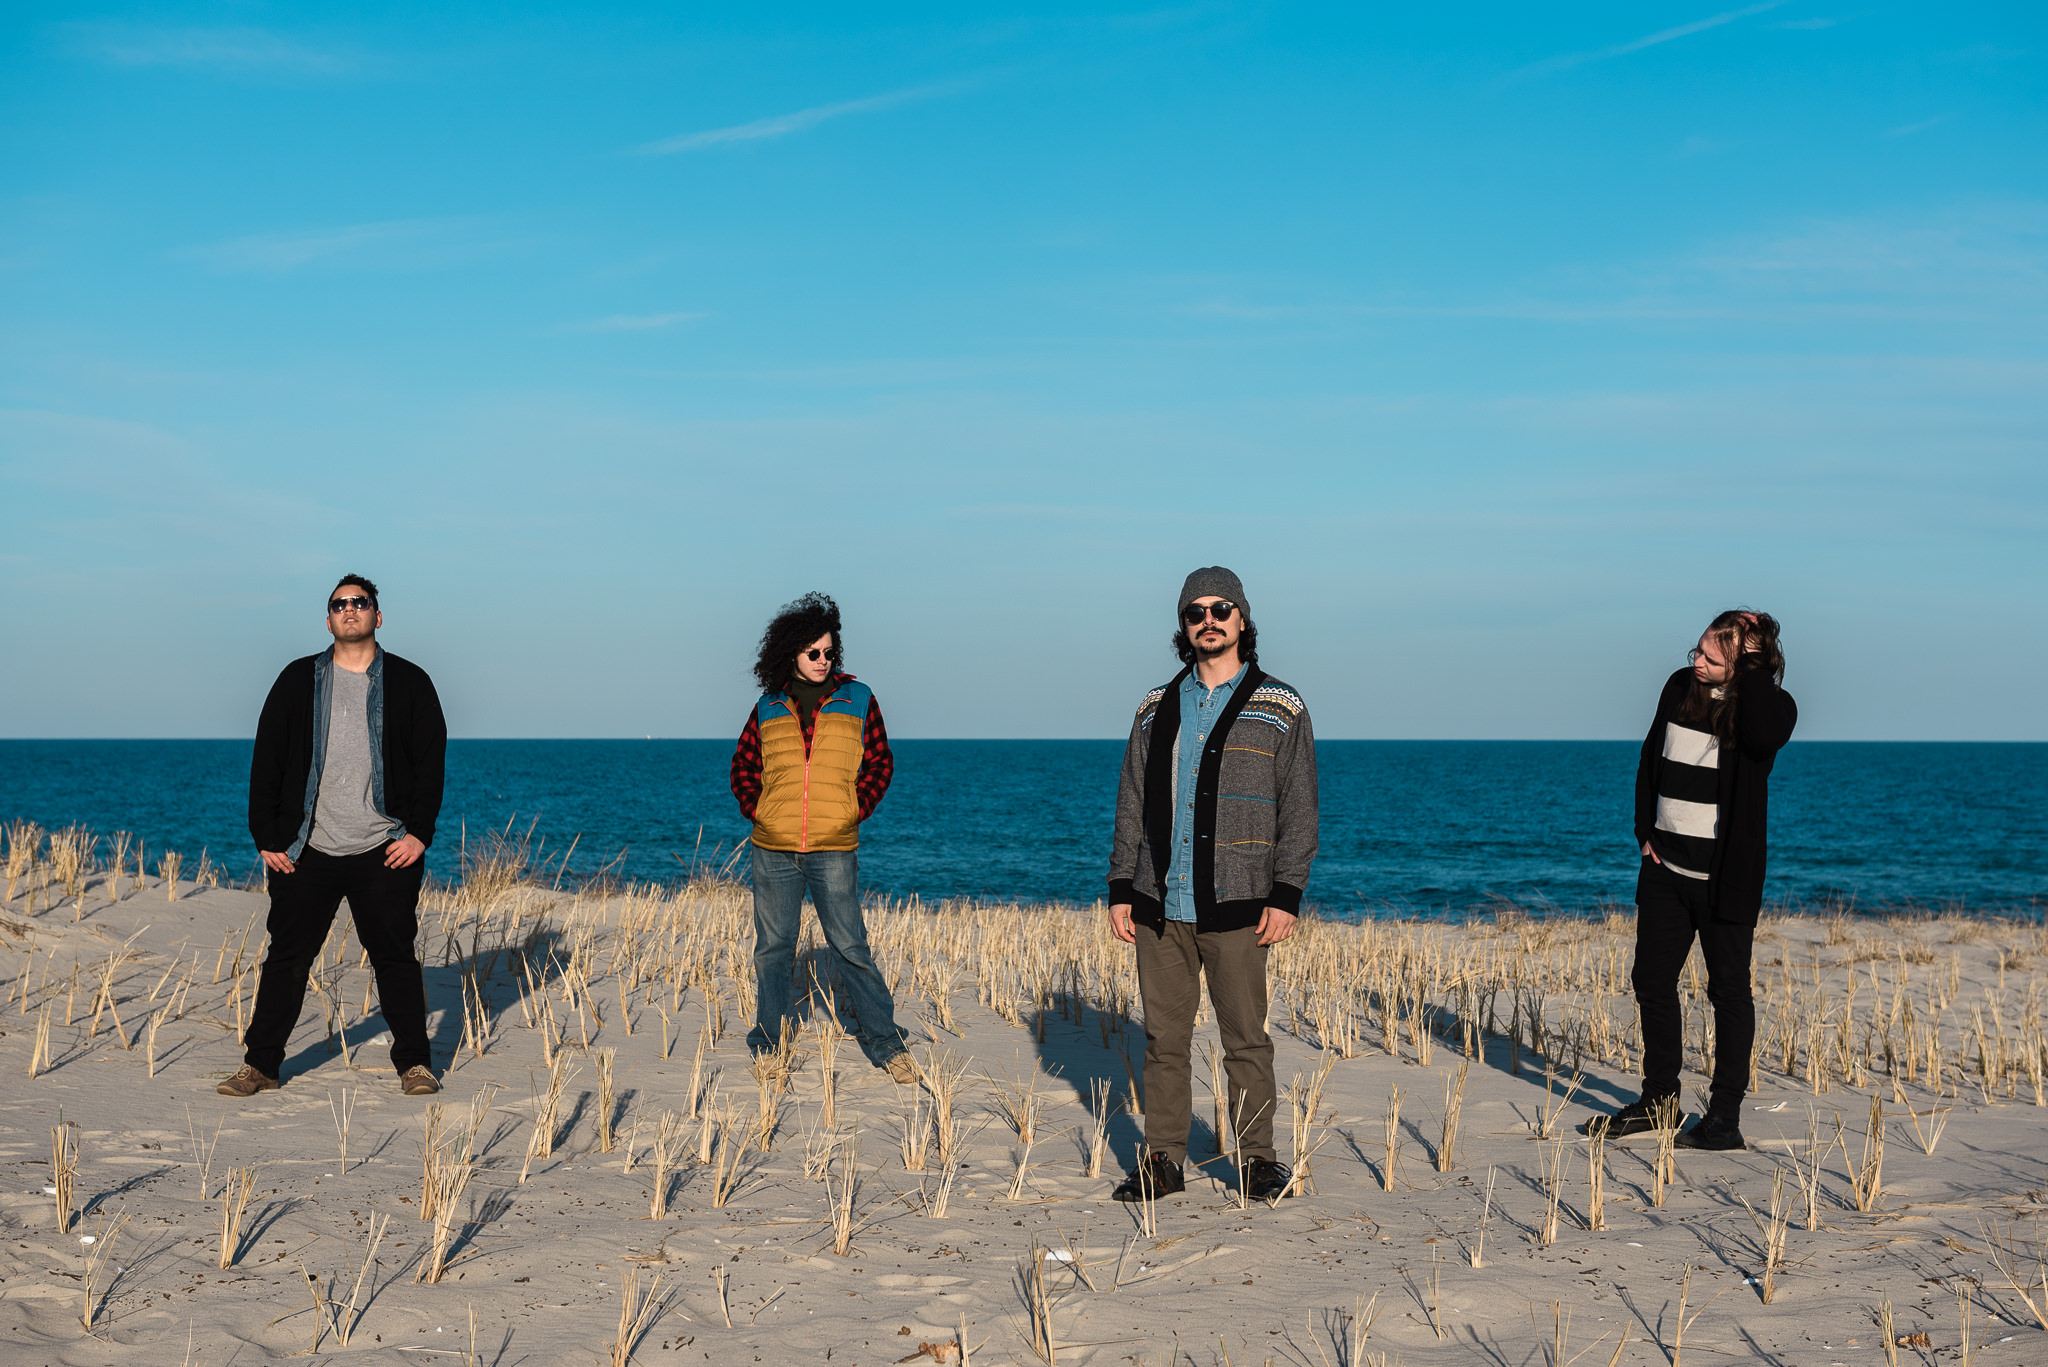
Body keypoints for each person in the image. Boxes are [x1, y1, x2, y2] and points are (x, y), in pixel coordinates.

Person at [1105, 568, 1319, 1203]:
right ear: (1184, 626)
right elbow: (1131, 802)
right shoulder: (1153, 708)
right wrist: (1122, 885)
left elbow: (1300, 808)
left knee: (1246, 1041)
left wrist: (1287, 893)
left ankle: (1256, 1161)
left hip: (1239, 904)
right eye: (1196, 611)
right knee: (1163, 1041)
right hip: (1159, 905)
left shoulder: (1282, 707)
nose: (1209, 619)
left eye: (1222, 608)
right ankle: (1164, 1161)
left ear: (1243, 620)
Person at [223, 575, 448, 1098]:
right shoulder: (297, 680)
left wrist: (419, 833)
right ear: (328, 619)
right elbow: (268, 758)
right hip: (307, 850)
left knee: (394, 958)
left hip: (384, 848)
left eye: (360, 602)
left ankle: (415, 1065)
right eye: (339, 604)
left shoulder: (411, 682)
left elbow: (431, 762)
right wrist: (267, 835)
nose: (350, 610)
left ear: (377, 615)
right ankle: (260, 1066)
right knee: (287, 959)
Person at [1582, 609, 1797, 1150]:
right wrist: (1644, 834)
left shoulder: (1769, 708)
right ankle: (1659, 1102)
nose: (1695, 662)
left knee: (1728, 992)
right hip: (1664, 871)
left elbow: (1763, 731)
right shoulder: (1680, 686)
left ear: (1745, 662)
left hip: (1725, 879)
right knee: (1651, 982)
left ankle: (1724, 1118)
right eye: (1695, 651)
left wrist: (1748, 668)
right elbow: (1649, 758)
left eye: (1711, 657)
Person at [729, 592, 916, 1084]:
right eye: (813, 652)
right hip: (773, 848)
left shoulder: (858, 699)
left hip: (833, 846)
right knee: (773, 948)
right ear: (791, 652)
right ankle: (769, 1043)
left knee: (851, 947)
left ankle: (887, 1044)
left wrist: (855, 810)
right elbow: (743, 767)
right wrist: (759, 810)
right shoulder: (768, 706)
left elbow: (880, 763)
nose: (822, 661)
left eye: (829, 652)